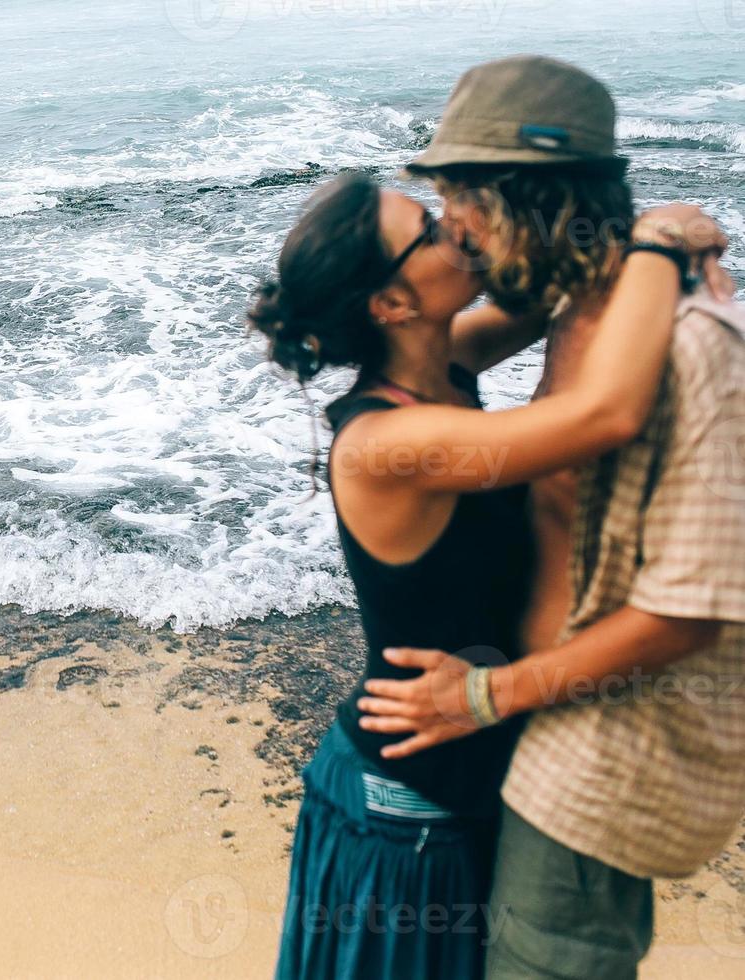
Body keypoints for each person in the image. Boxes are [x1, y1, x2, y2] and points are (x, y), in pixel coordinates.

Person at [250, 164, 724, 979]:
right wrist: (658, 240)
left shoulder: (444, 361)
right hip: (404, 810)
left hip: (454, 775)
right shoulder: (384, 444)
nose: (457, 231)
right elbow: (603, 411)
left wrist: (597, 225)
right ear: (393, 304)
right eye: (430, 233)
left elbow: (558, 293)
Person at [358, 56, 745, 979]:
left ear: (525, 195)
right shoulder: (567, 307)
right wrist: (655, 238)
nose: (452, 228)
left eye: (461, 200)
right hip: (524, 726)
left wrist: (481, 696)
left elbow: (690, 607)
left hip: (600, 753)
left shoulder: (694, 348)